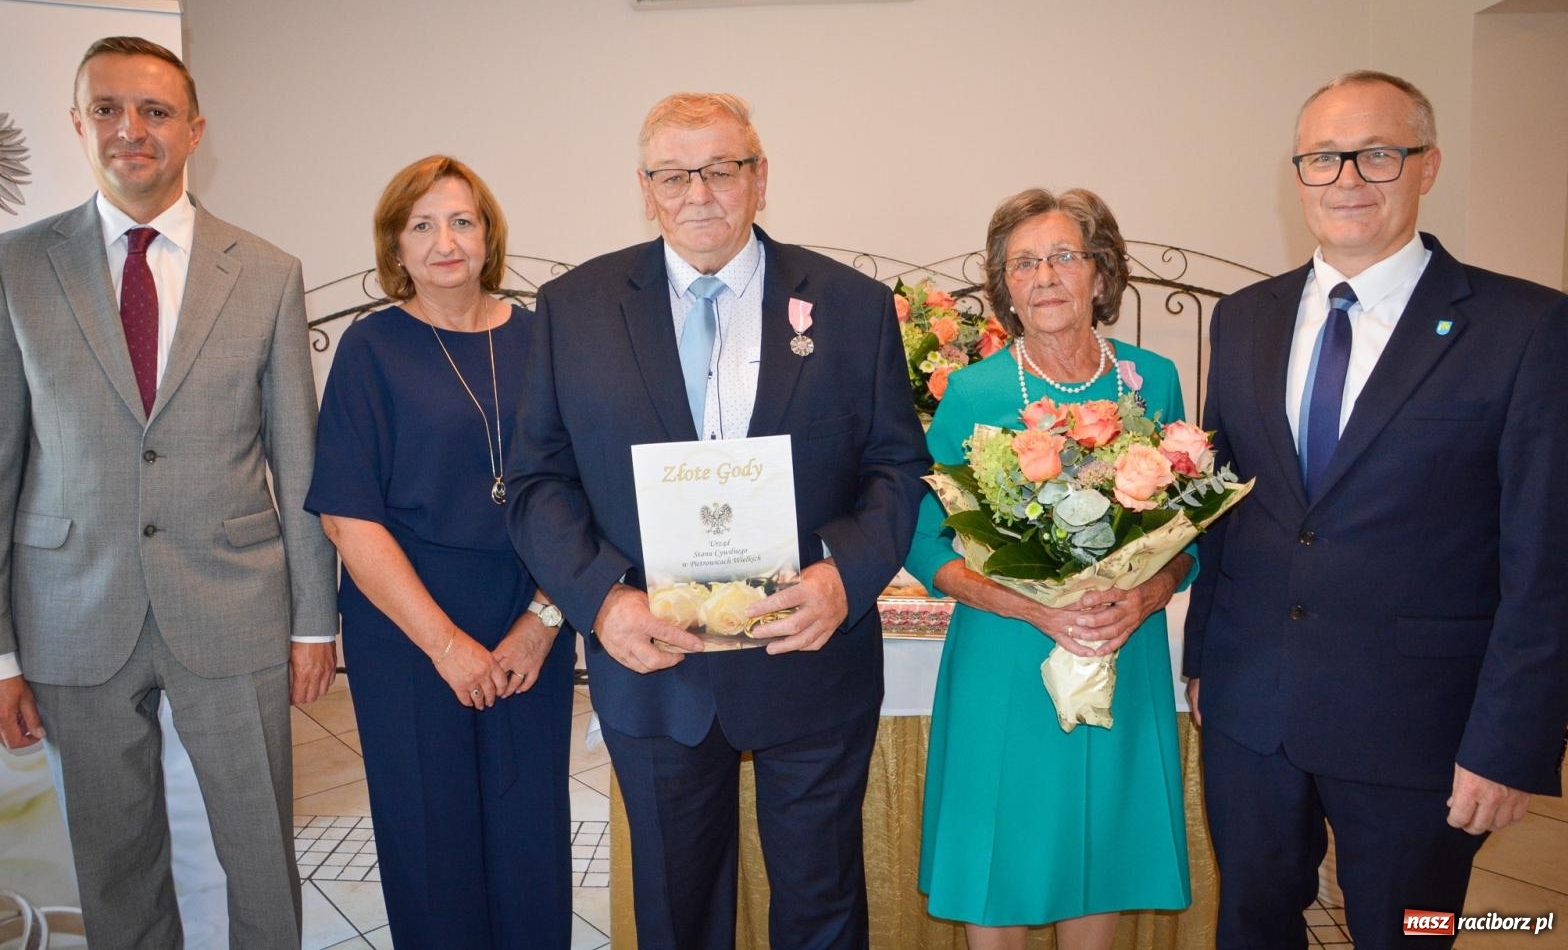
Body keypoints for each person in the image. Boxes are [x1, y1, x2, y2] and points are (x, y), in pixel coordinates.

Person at [506, 92, 930, 949]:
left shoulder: (850, 303)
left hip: (811, 654)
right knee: (675, 913)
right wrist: (602, 601)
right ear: (646, 187)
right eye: (673, 174)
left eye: (722, 169)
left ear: (760, 178)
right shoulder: (574, 307)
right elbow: (538, 483)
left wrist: (843, 577)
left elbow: (897, 465)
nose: (698, 193)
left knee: (821, 909)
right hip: (654, 660)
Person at [1185, 70, 1568, 950]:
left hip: (1421, 728)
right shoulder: (1244, 319)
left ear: (1427, 166)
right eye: (1324, 157)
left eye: (1378, 153)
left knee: (1408, 935)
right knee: (1251, 924)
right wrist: (1205, 658)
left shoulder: (1525, 329)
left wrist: (1510, 743)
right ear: (1299, 175)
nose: (1349, 178)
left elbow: (1546, 560)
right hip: (1251, 711)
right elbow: (1229, 505)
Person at [0, 36, 337, 948]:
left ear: (195, 129)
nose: (130, 130)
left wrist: (313, 622)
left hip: (235, 607)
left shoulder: (266, 272)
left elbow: (300, 462)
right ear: (77, 124)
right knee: (113, 858)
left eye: (155, 111)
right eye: (107, 109)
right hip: (67, 613)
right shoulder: (14, 267)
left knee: (257, 851)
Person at [906, 188, 1194, 950]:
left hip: (1116, 645)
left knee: (1098, 837)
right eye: (1023, 263)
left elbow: (1191, 528)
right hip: (1007, 654)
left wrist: (1147, 595)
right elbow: (925, 538)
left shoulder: (1153, 379)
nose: (1044, 276)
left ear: (1101, 274)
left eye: (1063, 256)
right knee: (1001, 835)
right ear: (1005, 285)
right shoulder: (973, 391)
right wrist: (1027, 605)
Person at [305, 155, 574, 948]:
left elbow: (587, 494)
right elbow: (347, 517)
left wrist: (544, 618)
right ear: (394, 247)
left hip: (530, 611)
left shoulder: (545, 341)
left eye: (461, 220)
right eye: (420, 225)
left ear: (489, 236)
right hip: (407, 624)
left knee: (529, 833)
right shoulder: (370, 348)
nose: (444, 241)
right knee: (431, 839)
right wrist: (447, 645)